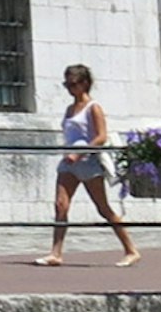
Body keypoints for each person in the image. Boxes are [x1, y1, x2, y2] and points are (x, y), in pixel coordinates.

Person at [37, 63, 141, 268]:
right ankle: (55, 253)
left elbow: (101, 136)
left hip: (88, 163)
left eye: (73, 84)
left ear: (84, 84)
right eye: (66, 84)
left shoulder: (93, 107)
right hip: (69, 163)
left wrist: (81, 152)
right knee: (60, 205)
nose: (69, 88)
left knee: (103, 208)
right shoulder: (69, 109)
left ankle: (131, 249)